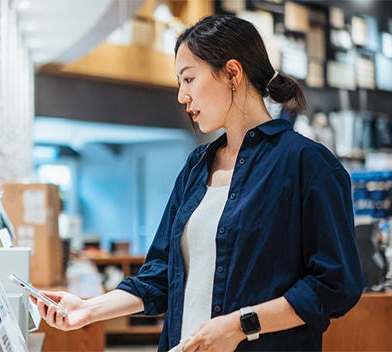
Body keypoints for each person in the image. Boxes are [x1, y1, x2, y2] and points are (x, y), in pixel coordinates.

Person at [33, 14, 364, 351]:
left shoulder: (307, 164)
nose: (181, 96)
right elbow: (161, 274)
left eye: (189, 79)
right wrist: (87, 309)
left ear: (233, 73)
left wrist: (240, 325)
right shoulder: (196, 167)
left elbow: (335, 285)